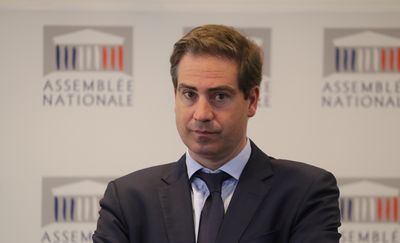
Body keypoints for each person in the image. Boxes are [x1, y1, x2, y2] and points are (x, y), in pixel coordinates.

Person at [93, 24, 341, 243]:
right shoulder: (127, 199)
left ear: (251, 101)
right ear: (175, 97)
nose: (201, 113)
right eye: (189, 94)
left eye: (219, 96)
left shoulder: (305, 192)